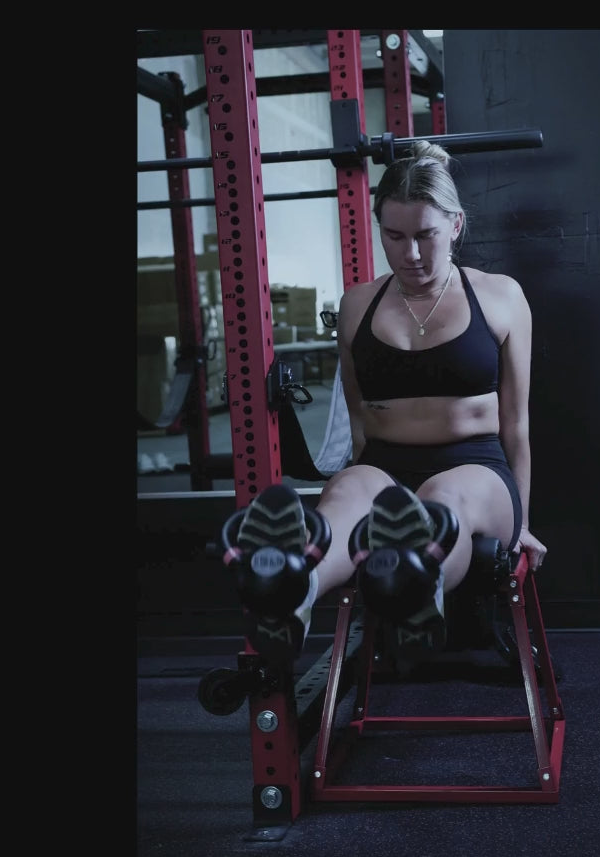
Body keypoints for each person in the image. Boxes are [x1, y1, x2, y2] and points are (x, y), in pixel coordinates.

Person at [229, 140, 548, 660]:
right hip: (384, 460)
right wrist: (358, 474)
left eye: (426, 235)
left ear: (457, 226)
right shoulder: (357, 304)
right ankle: (292, 590)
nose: (412, 253)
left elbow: (516, 426)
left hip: (476, 467)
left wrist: (523, 525)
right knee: (345, 502)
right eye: (394, 236)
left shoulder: (500, 296)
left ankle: (415, 591)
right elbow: (359, 418)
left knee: (443, 503)